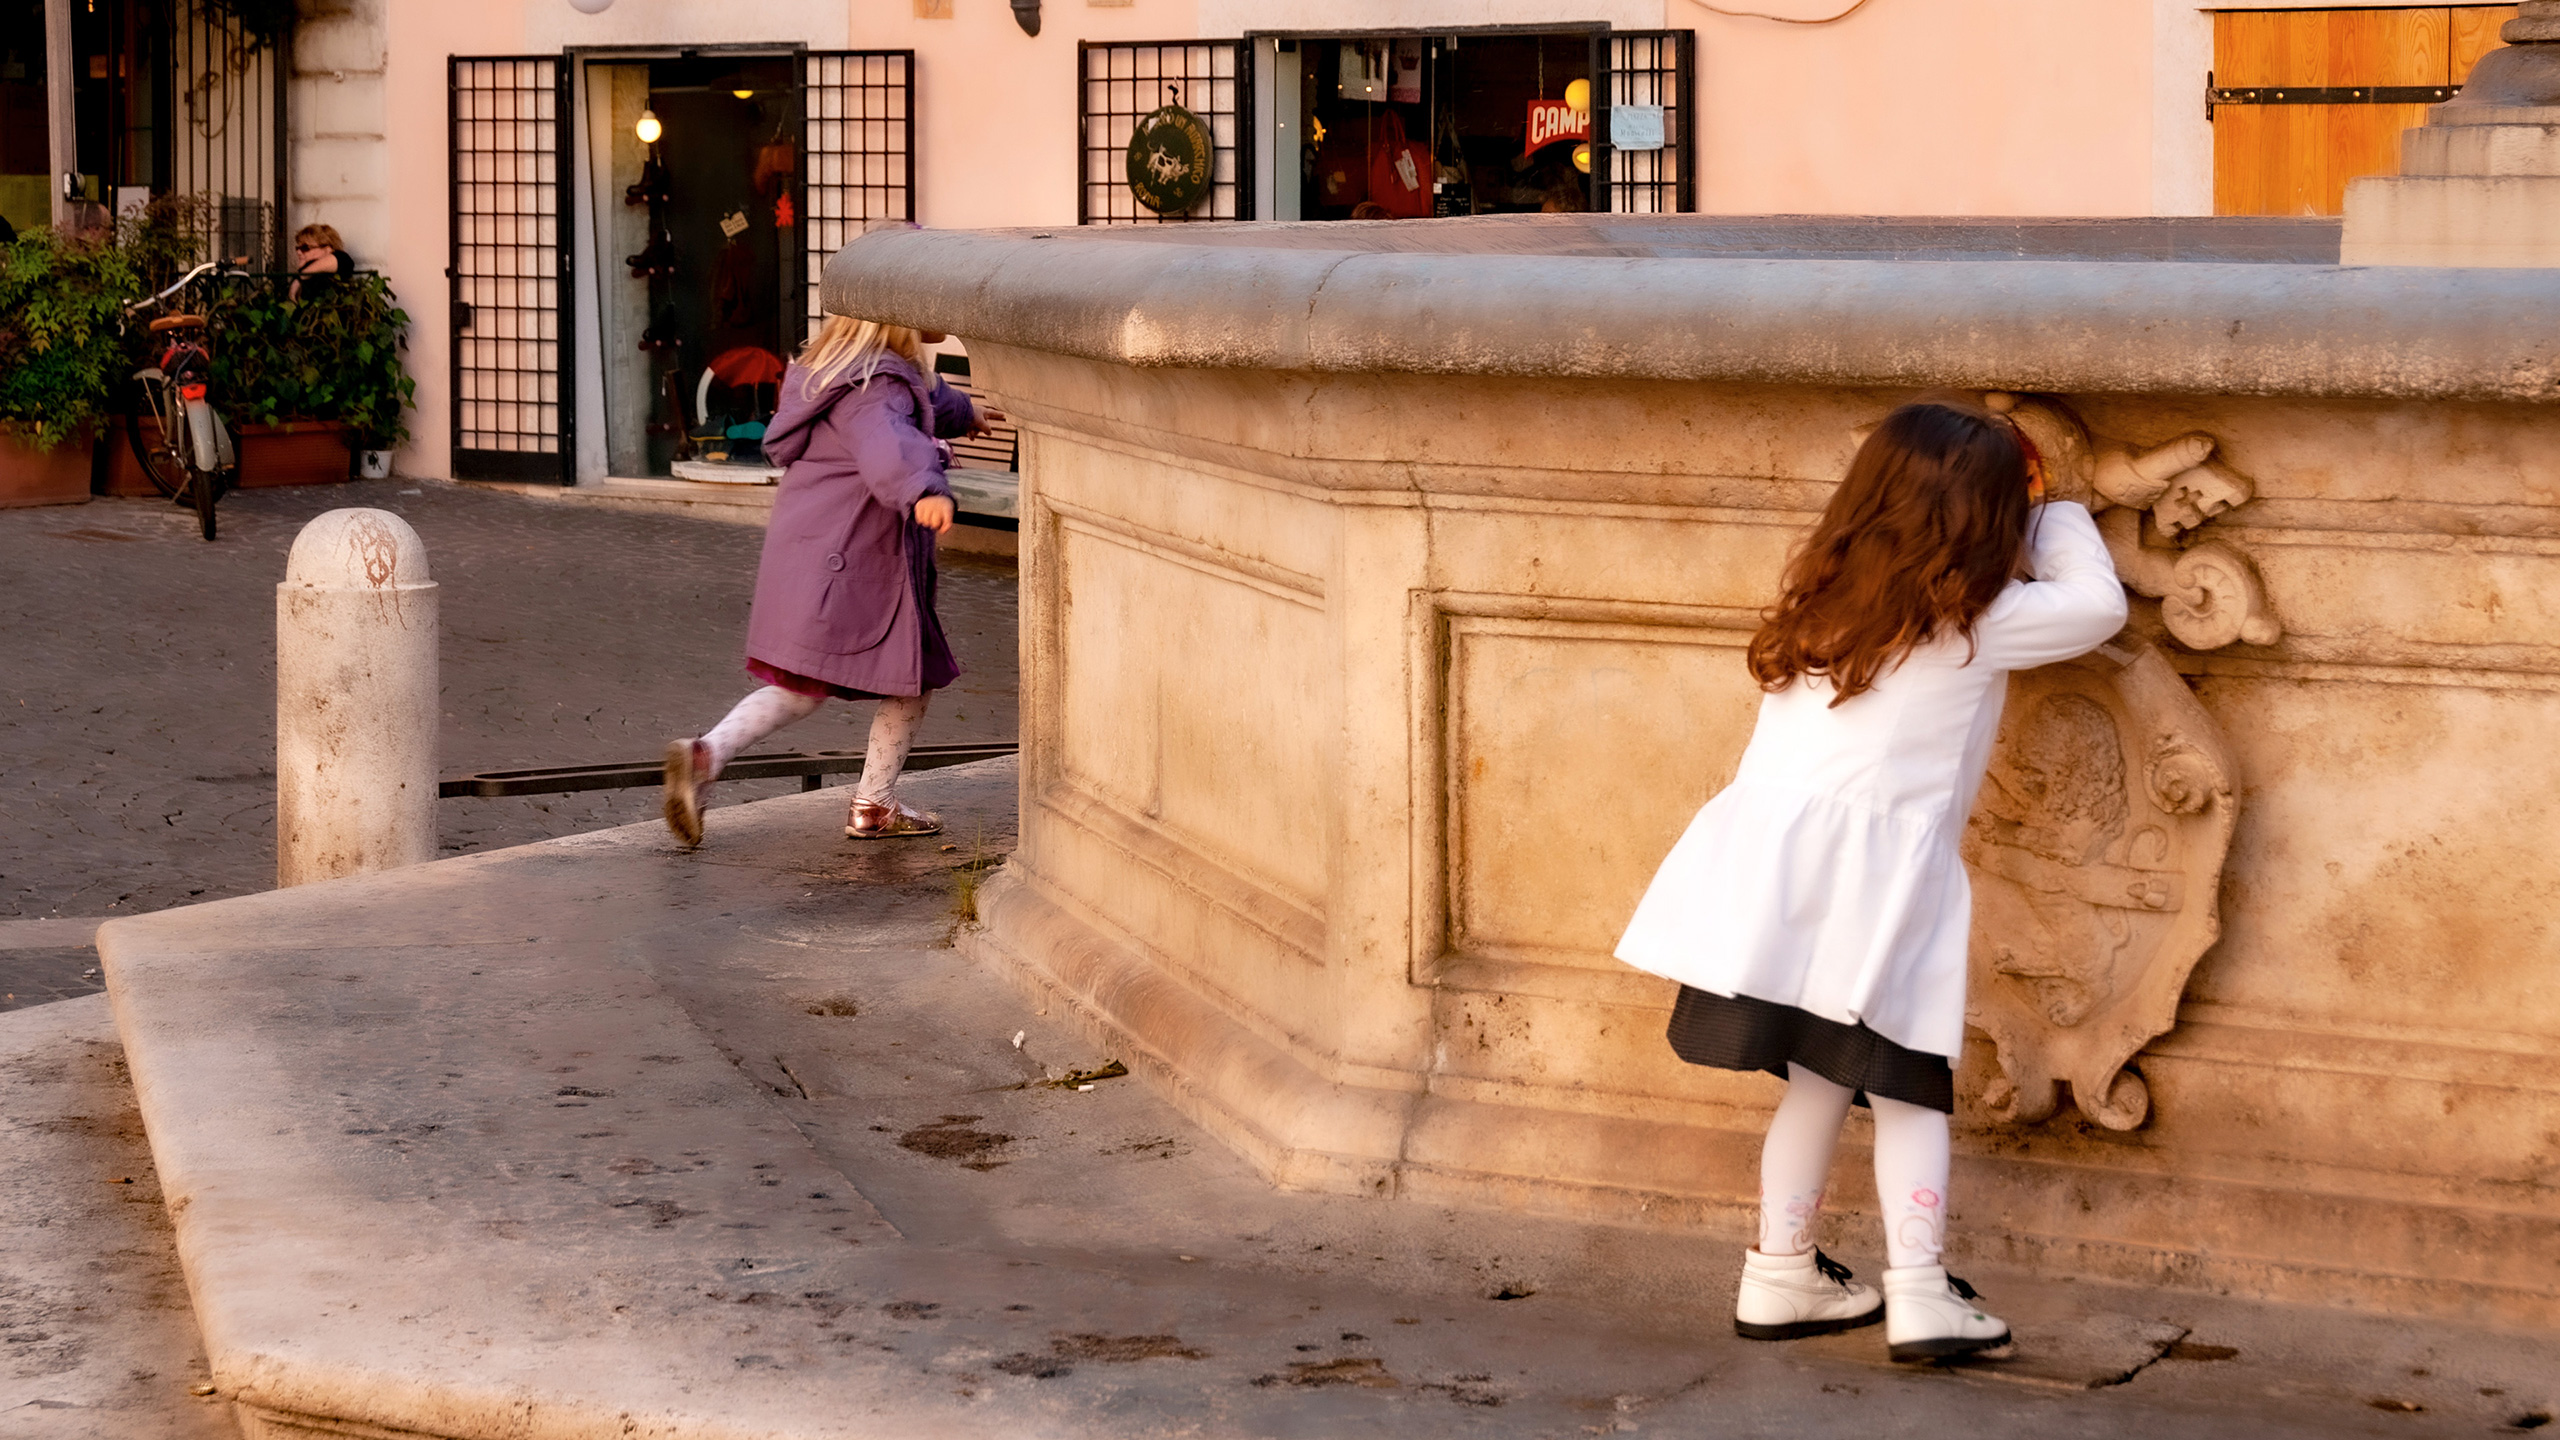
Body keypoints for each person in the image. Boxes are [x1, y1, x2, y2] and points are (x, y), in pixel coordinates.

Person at [1614, 397, 2126, 1364]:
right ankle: (1923, 1292)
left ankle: (1780, 1274)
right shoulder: (1975, 620)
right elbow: (2098, 605)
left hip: (1777, 875)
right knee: (1907, 1091)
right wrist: (2055, 508)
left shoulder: (1822, 600)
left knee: (1815, 1082)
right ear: (1988, 521)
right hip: (1879, 884)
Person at [661, 316, 981, 847]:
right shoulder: (876, 388)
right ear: (901, 312)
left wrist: (967, 411)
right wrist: (926, 488)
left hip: (812, 559)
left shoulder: (838, 372)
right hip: (855, 565)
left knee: (800, 686)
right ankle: (874, 804)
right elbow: (888, 443)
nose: (945, 309)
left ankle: (706, 754)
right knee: (912, 678)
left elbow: (924, 399)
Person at [288, 223, 353, 300]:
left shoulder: (342, 260)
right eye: (297, 248)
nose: (298, 252)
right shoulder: (303, 273)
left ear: (327, 249)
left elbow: (342, 259)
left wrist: (299, 278)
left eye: (306, 248)